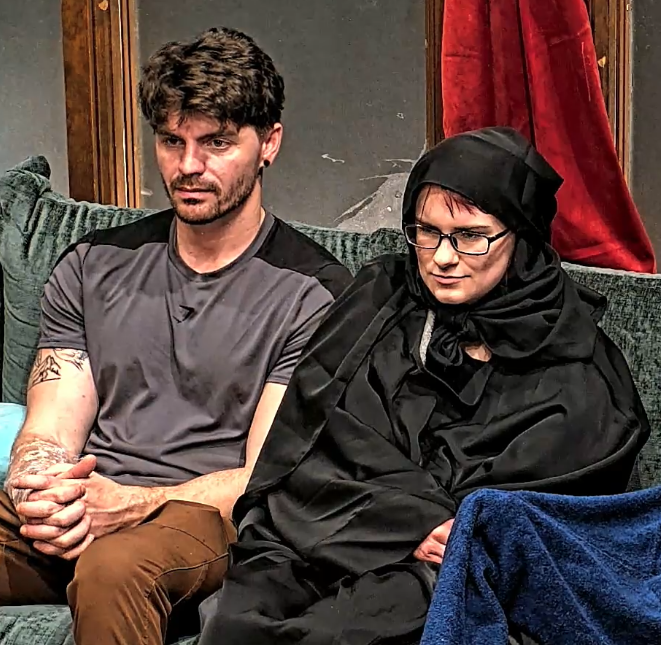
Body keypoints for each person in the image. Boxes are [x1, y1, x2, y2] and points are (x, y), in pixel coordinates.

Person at [0, 27, 352, 645]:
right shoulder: (93, 264)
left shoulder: (314, 292)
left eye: (216, 143)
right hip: (83, 510)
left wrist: (133, 504)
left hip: (201, 522)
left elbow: (265, 478)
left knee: (113, 567)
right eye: (172, 141)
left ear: (269, 142)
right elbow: (51, 426)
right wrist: (41, 485)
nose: (189, 166)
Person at [197, 127, 650, 645]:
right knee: (237, 619)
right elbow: (313, 443)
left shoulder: (575, 359)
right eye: (427, 231)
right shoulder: (379, 303)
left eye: (470, 236)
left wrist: (444, 528)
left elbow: (545, 509)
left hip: (452, 567)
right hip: (336, 530)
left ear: (521, 236)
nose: (441, 258)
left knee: (341, 632)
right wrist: (409, 520)